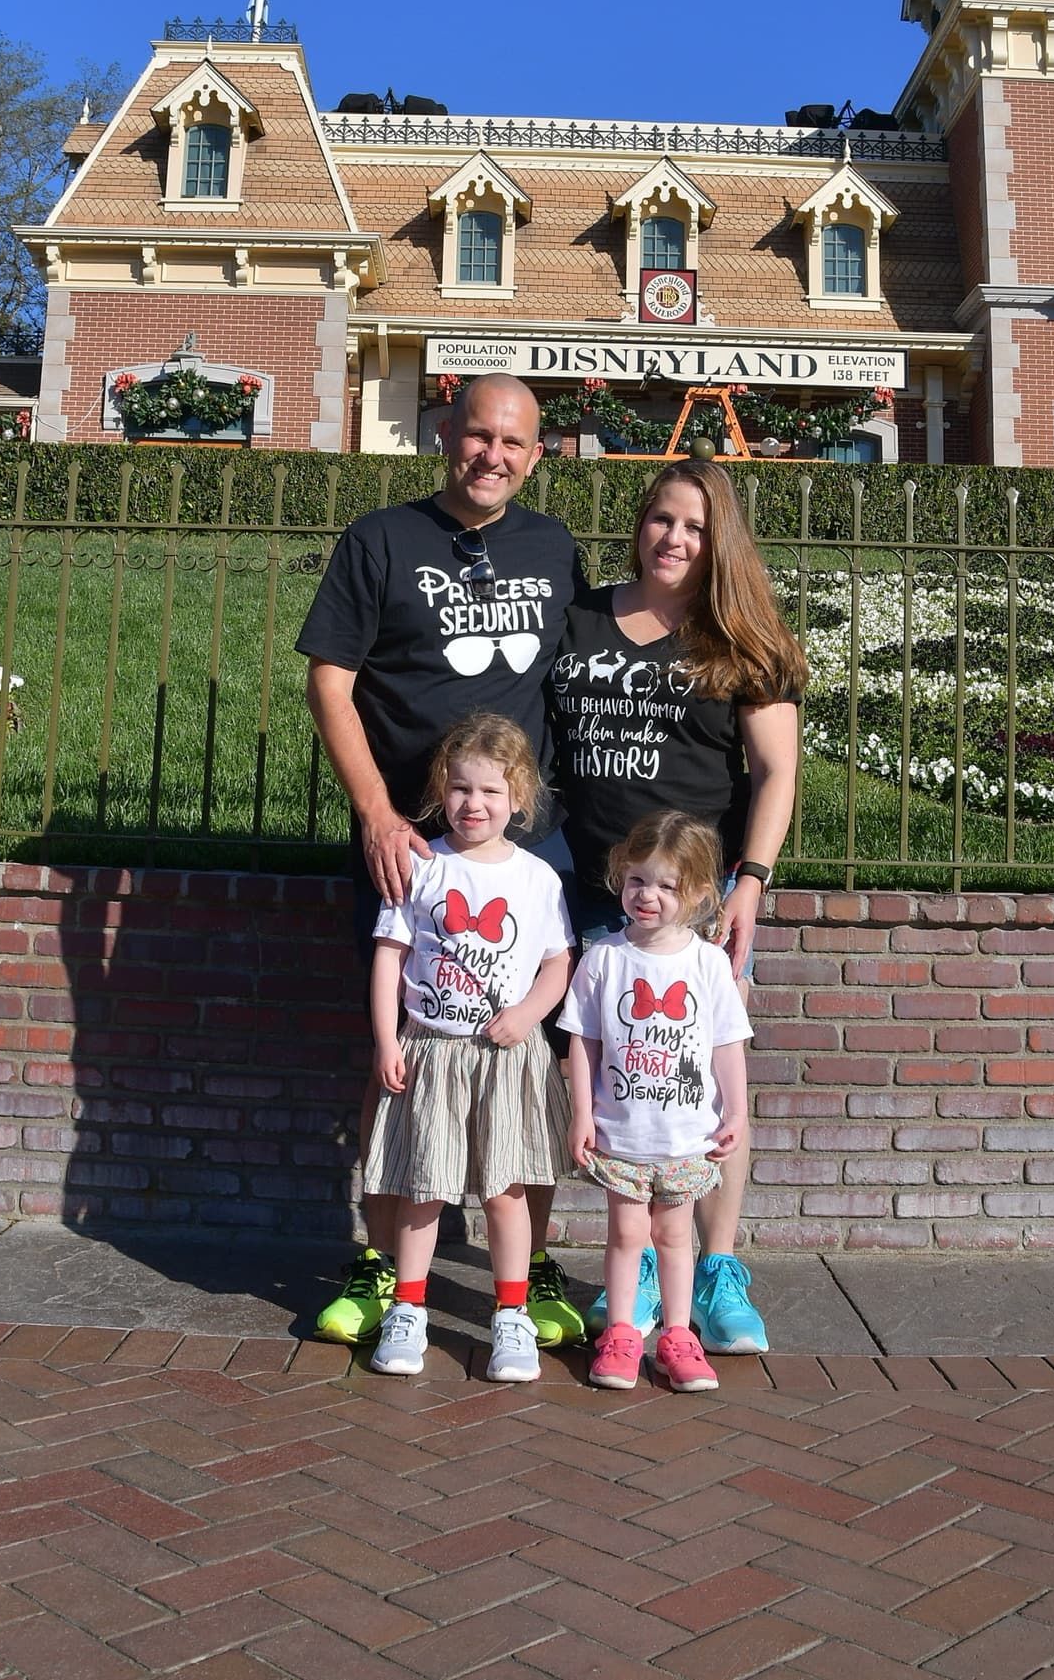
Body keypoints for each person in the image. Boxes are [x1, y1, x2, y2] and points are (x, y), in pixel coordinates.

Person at [298, 372, 586, 1347]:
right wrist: (377, 812)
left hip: (527, 848)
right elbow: (328, 683)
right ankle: (384, 1268)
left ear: (535, 454)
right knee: (402, 1065)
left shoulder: (554, 548)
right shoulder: (380, 540)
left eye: (513, 443)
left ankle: (526, 1267)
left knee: (528, 1067)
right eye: (477, 437)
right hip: (413, 847)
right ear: (444, 435)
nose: (492, 456)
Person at [546, 458, 805, 1354]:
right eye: (661, 519)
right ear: (640, 524)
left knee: (705, 1081)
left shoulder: (741, 636)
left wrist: (751, 880)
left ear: (717, 538)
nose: (673, 538)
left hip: (694, 902)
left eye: (694, 526)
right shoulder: (579, 617)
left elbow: (776, 771)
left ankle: (715, 1263)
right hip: (588, 888)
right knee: (622, 1080)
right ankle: (643, 1260)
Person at [367, 713, 574, 1382]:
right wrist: (385, 1039)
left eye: (489, 790)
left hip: (505, 1057)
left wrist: (529, 1014)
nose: (473, 803)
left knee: (505, 1190)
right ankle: (408, 1307)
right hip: (431, 1050)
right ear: (441, 790)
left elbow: (557, 962)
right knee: (422, 1187)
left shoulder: (537, 877)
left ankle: (510, 1314)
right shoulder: (422, 863)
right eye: (460, 788)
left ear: (518, 797)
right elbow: (388, 955)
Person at [562, 812, 752, 1392]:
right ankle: (621, 1334)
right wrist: (580, 1115)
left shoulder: (708, 963)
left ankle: (676, 1337)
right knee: (625, 1237)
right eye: (638, 880)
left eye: (667, 885)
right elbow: (582, 1042)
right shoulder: (604, 958)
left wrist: (737, 1112)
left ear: (696, 893)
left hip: (686, 1138)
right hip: (623, 1135)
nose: (648, 895)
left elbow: (727, 1044)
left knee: (674, 1237)